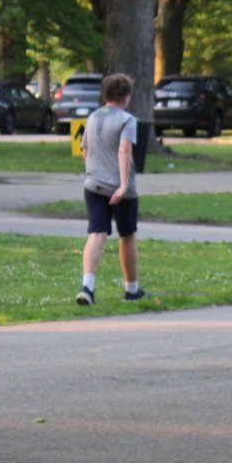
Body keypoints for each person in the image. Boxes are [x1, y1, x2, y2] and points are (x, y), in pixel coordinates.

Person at [76, 73, 149, 307]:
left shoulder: (93, 117)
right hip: (120, 189)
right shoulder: (127, 120)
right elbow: (124, 150)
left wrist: (91, 172)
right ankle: (131, 290)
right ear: (125, 96)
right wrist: (124, 185)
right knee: (127, 236)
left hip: (93, 185)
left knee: (97, 233)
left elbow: (85, 149)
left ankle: (87, 287)